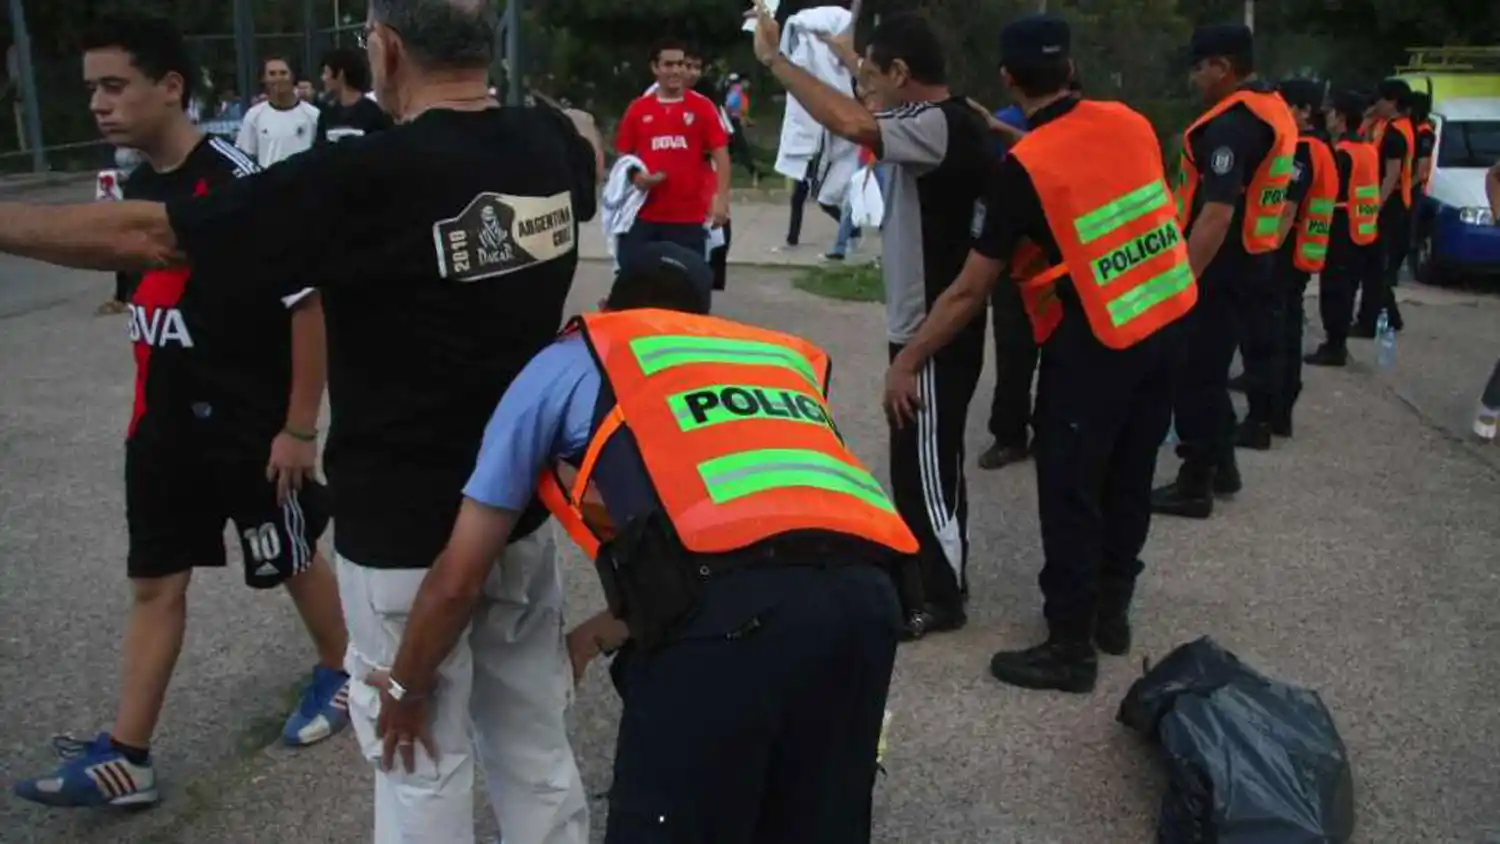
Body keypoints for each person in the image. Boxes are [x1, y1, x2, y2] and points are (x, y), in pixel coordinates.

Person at [0, 0, 602, 840]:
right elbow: (586, 141)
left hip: (402, 537)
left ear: (386, 52)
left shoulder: (360, 181)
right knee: (535, 750)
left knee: (417, 763)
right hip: (518, 517)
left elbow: (154, 236)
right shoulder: (548, 147)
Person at [374, 241, 915, 841]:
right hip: (868, 602)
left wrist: (407, 687)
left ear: (607, 306)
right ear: (701, 318)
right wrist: (597, 634)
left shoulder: (579, 356)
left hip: (731, 628)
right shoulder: (765, 360)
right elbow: (765, 540)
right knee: (815, 820)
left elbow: (460, 577)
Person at [10, 14, 351, 810]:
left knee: (291, 559)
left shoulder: (234, 180)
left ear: (171, 87)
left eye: (114, 86)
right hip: (159, 430)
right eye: (91, 87)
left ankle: (342, 674)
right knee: (155, 584)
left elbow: (306, 305)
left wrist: (299, 428)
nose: (98, 103)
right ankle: (128, 756)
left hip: (249, 429)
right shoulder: (135, 192)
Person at [883, 14, 1192, 692]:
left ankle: (1069, 647)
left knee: (1072, 489)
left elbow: (968, 293)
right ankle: (1112, 614)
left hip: (1098, 339)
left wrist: (907, 361)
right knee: (1129, 479)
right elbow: (1082, 160)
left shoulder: (1022, 170)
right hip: (1165, 319)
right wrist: (1010, 135)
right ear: (1071, 68)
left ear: (1006, 78)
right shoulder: (1130, 124)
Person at [755, 10, 993, 638]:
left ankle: (940, 596)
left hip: (934, 327)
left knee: (929, 464)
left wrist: (778, 63)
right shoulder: (952, 116)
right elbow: (861, 104)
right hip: (923, 324)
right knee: (915, 459)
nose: (867, 85)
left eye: (873, 74)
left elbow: (849, 119)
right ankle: (923, 578)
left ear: (901, 72)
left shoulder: (934, 124)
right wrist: (842, 54)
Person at [1151, 24, 1296, 520]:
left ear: (1223, 67)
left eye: (1200, 67)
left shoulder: (1231, 124)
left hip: (1219, 265)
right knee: (1210, 369)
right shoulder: (1271, 107)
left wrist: (1182, 278)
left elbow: (1216, 211)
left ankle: (1195, 484)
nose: (1195, 79)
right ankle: (1223, 465)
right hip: (1253, 259)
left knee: (1195, 375)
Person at [1234, 78, 1329, 446]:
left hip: (1282, 257)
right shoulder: (1310, 146)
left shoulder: (1302, 150)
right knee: (1284, 334)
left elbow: (1287, 209)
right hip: (1294, 256)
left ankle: (1266, 417)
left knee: (1272, 338)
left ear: (1304, 111)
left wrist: (1266, 251)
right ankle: (1276, 415)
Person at [614, 38, 730, 262]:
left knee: (688, 287)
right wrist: (636, 177)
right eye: (668, 64)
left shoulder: (703, 107)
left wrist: (721, 199)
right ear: (655, 68)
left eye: (680, 64)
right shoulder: (638, 109)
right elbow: (624, 157)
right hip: (644, 216)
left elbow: (721, 155)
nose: (676, 70)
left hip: (689, 218)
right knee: (639, 287)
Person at [1307, 90, 1382, 368]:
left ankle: (1334, 346)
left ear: (1340, 118)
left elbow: (1329, 191)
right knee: (1347, 288)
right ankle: (1336, 342)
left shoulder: (1341, 154)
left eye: (1330, 113)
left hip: (1340, 226)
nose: (1326, 118)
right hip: (1363, 227)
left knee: (1335, 290)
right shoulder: (1368, 150)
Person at [1354, 78, 1413, 336]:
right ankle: (1390, 316)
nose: (1376, 103)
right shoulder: (1389, 126)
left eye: (1380, 99)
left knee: (1375, 268)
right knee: (1375, 267)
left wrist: (1375, 206)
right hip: (1389, 204)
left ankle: (1370, 322)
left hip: (1390, 207)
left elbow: (1392, 174)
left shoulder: (1396, 133)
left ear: (1392, 102)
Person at [236, 57, 321, 168]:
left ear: (292, 77)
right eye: (272, 74)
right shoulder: (254, 115)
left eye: (283, 73)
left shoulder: (313, 114)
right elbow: (245, 156)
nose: (278, 78)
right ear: (264, 79)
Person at [316, 47, 392, 144]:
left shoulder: (374, 114)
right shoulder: (326, 115)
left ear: (340, 74)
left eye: (326, 72)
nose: (323, 78)